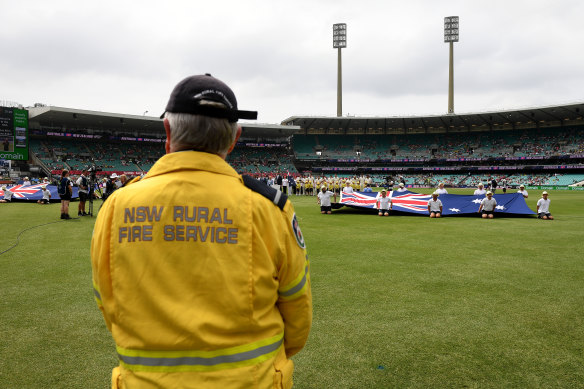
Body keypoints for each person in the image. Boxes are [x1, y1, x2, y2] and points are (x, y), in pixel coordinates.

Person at [91, 74, 311, 389]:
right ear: (235, 138)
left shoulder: (117, 207)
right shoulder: (270, 208)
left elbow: (108, 301)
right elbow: (297, 308)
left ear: (167, 131)